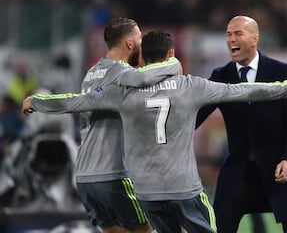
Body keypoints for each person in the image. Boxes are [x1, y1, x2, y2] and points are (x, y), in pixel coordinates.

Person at [22, 30, 287, 233]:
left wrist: (37, 101)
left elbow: (75, 101)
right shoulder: (191, 86)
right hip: (183, 187)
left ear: (142, 58)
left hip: (147, 191)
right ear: (172, 54)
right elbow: (243, 90)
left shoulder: (121, 92)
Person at [23, 17, 181, 233]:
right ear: (129, 44)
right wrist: (174, 64)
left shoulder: (91, 74)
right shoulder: (123, 75)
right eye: (139, 40)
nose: (142, 47)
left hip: (86, 179)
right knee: (160, 224)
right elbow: (149, 79)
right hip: (113, 175)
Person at [195, 16, 287, 233]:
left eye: (238, 33)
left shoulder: (282, 72)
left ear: (255, 38)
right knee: (217, 227)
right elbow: (196, 117)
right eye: (228, 34)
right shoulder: (221, 76)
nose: (232, 39)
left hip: (278, 168)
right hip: (239, 171)